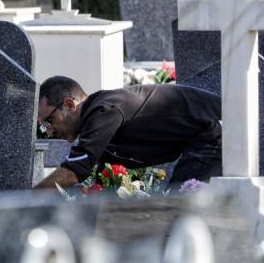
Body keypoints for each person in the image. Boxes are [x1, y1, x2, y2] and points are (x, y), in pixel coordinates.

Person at [33, 76, 222, 191]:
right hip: (203, 135)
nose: (49, 132)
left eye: (49, 121)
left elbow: (73, 172)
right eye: (43, 126)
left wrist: (24, 200)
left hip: (215, 130)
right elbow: (102, 185)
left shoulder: (103, 110)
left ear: (69, 105)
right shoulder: (96, 122)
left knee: (180, 205)